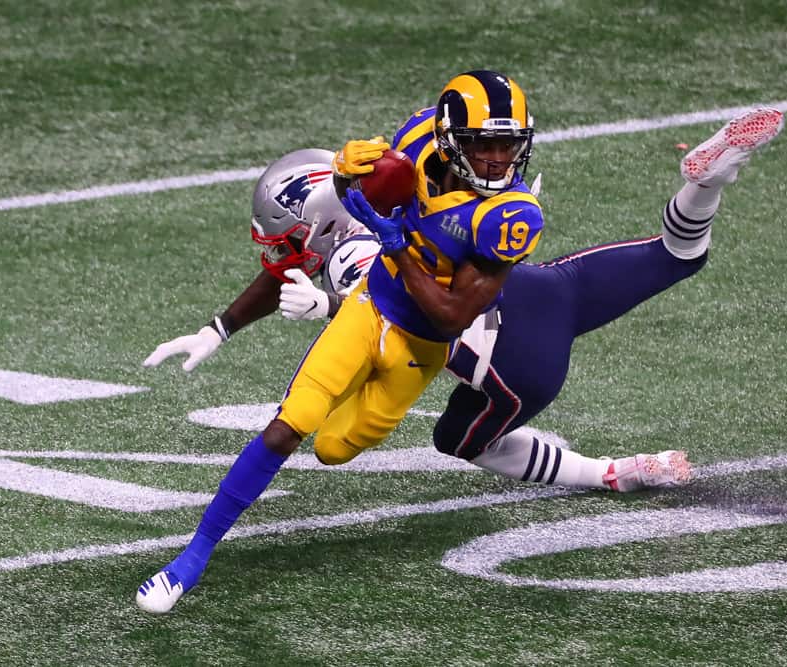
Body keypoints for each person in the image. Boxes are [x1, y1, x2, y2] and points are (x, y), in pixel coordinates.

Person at [137, 105, 784, 614]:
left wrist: (332, 306)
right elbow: (304, 269)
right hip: (544, 288)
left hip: (512, 355)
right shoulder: (413, 192)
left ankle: (613, 472)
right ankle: (709, 180)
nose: (278, 252)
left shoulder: (350, 246)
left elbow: (387, 293)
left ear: (318, 224)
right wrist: (220, 327)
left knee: (459, 437)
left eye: (286, 238)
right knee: (678, 254)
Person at [137, 70, 547, 613]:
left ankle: (342, 389)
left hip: (422, 348)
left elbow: (450, 318)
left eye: (507, 144)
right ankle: (190, 559)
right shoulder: (415, 143)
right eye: (483, 144)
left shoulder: (511, 216)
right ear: (449, 139)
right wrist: (345, 176)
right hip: (369, 306)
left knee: (332, 448)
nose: (497, 159)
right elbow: (320, 230)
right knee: (289, 426)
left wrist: (398, 246)